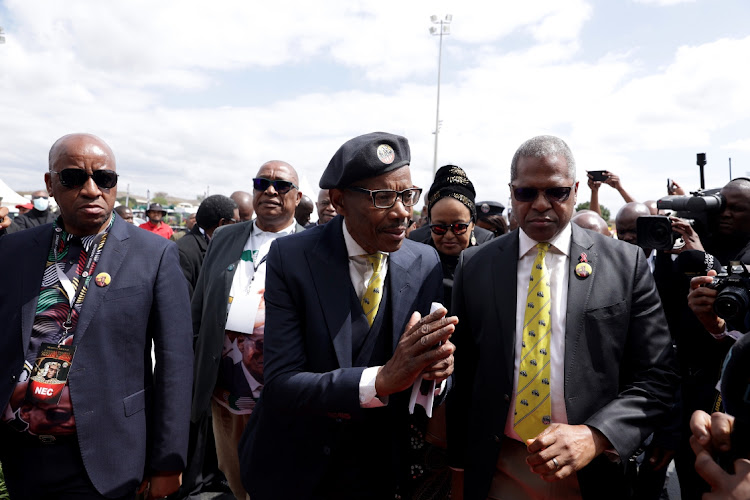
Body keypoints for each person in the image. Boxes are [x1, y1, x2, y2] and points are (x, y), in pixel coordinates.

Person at [447, 135, 678, 500]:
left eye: (554, 192)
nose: (540, 204)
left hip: (594, 469)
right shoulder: (475, 266)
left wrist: (596, 435)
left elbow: (658, 377)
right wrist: (458, 468)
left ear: (573, 191)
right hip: (501, 465)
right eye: (526, 193)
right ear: (511, 192)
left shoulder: (624, 264)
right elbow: (464, 378)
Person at [238, 132, 457, 500]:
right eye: (383, 198)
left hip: (380, 470)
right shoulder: (292, 258)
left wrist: (436, 375)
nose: (403, 211)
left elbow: (423, 378)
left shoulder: (424, 262)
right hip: (295, 468)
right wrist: (382, 380)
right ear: (339, 201)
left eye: (407, 195)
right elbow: (281, 383)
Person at [0, 133, 193, 499]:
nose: (91, 190)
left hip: (106, 454)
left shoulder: (155, 255)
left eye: (104, 179)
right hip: (21, 451)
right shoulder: (13, 250)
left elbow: (176, 365)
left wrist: (169, 462)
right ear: (50, 184)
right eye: (73, 178)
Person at [190, 160, 305, 499]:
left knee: (279, 476)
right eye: (262, 183)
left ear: (297, 197)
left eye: (281, 185)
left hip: (281, 390)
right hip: (225, 388)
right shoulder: (226, 237)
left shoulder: (312, 244)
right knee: (234, 472)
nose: (270, 190)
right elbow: (200, 305)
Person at [408, 164, 494, 310]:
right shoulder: (414, 247)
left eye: (459, 227)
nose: (449, 235)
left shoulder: (487, 250)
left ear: (472, 223)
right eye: (439, 228)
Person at [176, 194, 238, 296]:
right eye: (236, 222)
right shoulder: (183, 252)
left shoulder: (224, 246)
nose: (239, 227)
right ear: (222, 224)